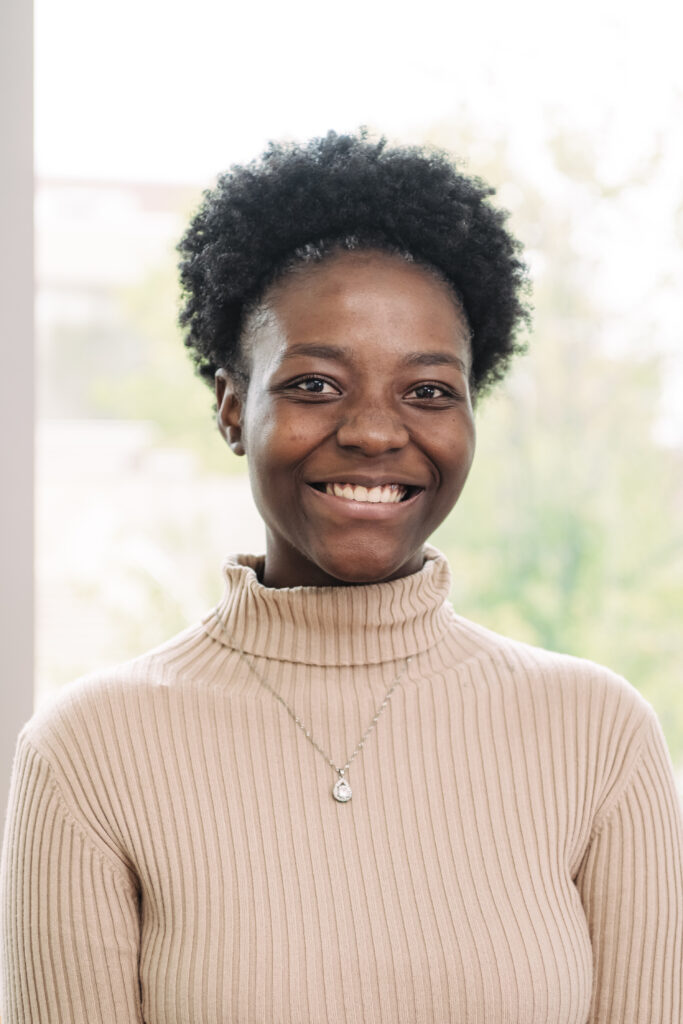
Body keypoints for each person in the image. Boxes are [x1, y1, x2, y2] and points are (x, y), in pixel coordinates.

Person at [2, 131, 681, 1023]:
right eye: (316, 385)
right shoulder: (87, 752)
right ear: (231, 407)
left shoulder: (599, 735)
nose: (372, 431)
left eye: (428, 391)